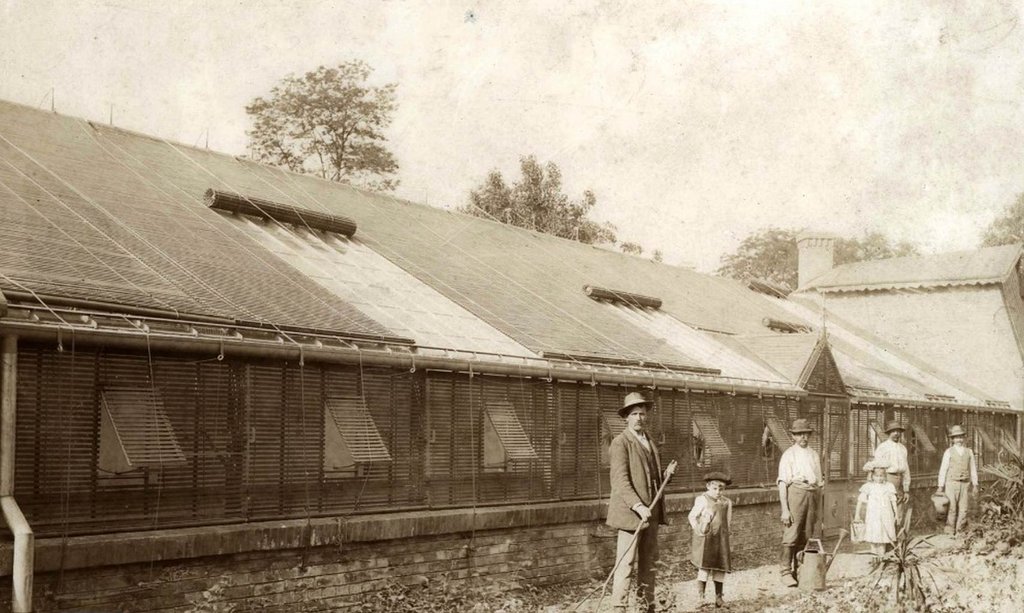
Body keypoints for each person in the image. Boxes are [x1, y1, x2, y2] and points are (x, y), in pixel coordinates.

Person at [606, 392, 667, 612]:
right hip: (631, 514)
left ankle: (646, 604)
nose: (639, 417)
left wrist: (665, 474)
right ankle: (618, 606)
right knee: (626, 563)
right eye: (634, 414)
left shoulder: (649, 440)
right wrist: (638, 505)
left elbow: (647, 475)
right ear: (626, 417)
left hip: (651, 513)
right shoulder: (620, 443)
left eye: (642, 413)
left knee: (649, 562)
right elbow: (620, 480)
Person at [776, 418, 824, 587]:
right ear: (794, 436)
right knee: (791, 533)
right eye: (799, 434)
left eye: (806, 434)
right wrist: (785, 510)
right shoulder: (789, 454)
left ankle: (800, 570)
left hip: (812, 494)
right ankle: (785, 572)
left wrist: (818, 504)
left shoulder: (813, 454)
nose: (803, 437)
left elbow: (819, 481)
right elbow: (783, 483)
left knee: (808, 534)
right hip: (796, 493)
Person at [689, 471, 733, 608]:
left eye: (721, 489)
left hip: (721, 539)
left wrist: (726, 534)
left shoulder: (727, 502)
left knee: (720, 568)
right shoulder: (702, 500)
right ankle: (701, 597)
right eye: (715, 488)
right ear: (708, 487)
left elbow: (728, 521)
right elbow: (692, 516)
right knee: (704, 567)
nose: (718, 492)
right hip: (707, 539)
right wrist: (698, 529)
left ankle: (719, 598)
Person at [936, 424, 978, 536]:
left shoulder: (969, 452)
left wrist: (975, 484)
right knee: (952, 508)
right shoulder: (948, 452)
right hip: (951, 483)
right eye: (956, 437)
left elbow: (973, 468)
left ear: (964, 438)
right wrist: (940, 486)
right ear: (952, 439)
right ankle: (950, 531)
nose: (959, 439)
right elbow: (943, 469)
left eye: (961, 437)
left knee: (964, 508)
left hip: (965, 483)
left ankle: (961, 531)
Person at [854, 460, 899, 557]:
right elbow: (860, 501)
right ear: (872, 476)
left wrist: (896, 514)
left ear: (885, 476)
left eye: (881, 476)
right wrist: (857, 514)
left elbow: (893, 501)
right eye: (877, 476)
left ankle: (881, 555)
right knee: (874, 532)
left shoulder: (889, 486)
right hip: (873, 513)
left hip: (886, 513)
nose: (879, 478)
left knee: (883, 534)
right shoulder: (869, 486)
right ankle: (873, 555)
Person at [873, 421, 911, 516]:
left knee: (899, 507)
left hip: (900, 479)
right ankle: (888, 530)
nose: (896, 434)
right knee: (887, 507)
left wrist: (906, 489)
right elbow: (878, 467)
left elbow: (906, 469)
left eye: (898, 431)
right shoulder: (883, 447)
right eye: (893, 431)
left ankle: (897, 529)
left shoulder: (903, 448)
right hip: (888, 478)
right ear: (889, 433)